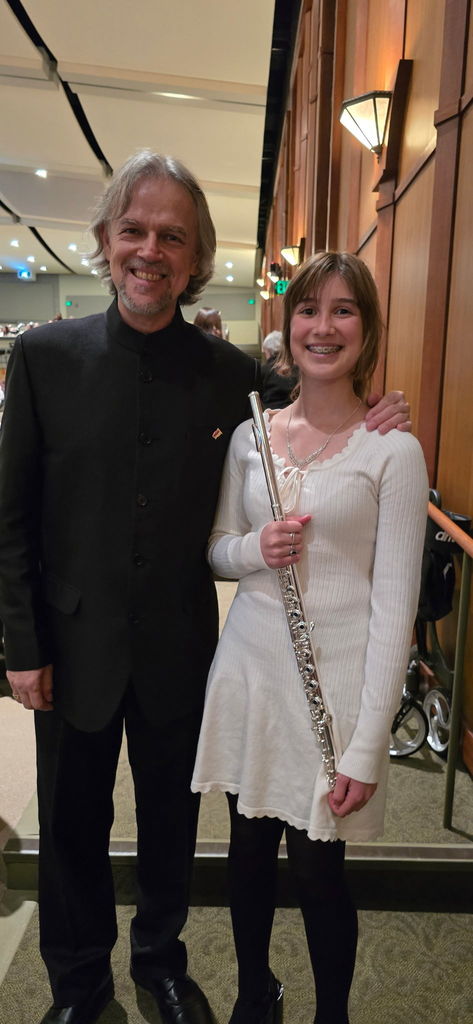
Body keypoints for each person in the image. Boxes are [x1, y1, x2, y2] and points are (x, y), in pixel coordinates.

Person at [0, 145, 409, 1024]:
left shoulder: (231, 374)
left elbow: (318, 384)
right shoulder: (43, 357)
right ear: (107, 239)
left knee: (170, 826)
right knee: (71, 830)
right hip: (70, 646)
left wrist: (376, 407)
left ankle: (161, 966)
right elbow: (11, 517)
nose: (150, 249)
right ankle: (78, 983)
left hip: (184, 646)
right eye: (134, 230)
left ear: (193, 260)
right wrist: (20, 648)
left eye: (172, 237)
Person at [191, 251, 428, 1024]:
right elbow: (218, 547)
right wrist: (253, 550)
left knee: (320, 867)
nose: (322, 327)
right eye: (307, 310)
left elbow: (394, 607)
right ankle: (253, 993)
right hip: (252, 671)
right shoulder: (250, 436)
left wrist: (366, 746)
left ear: (366, 328)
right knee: (247, 856)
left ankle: (332, 1013)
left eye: (343, 310)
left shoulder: (391, 448)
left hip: (333, 686)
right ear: (286, 326)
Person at [260, 329, 299, 408]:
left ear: (268, 351)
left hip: (269, 416)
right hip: (294, 414)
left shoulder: (262, 370)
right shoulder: (298, 369)